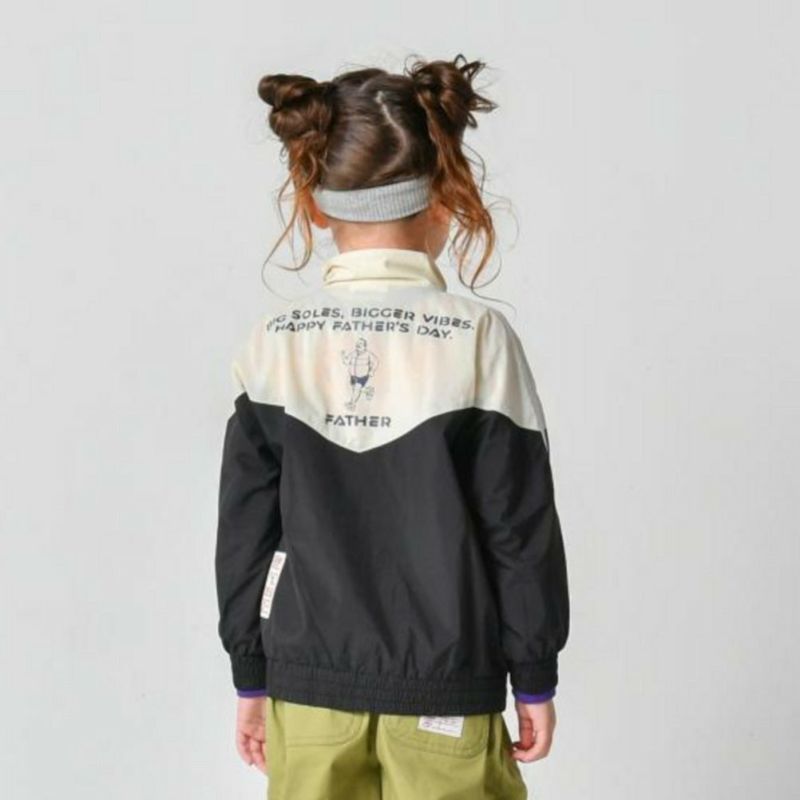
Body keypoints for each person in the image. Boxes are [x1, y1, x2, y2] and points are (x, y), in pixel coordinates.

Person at [214, 53, 570, 800]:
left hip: (308, 689)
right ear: (445, 192)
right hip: (449, 684)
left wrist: (251, 673)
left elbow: (245, 529)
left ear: (315, 204)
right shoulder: (477, 338)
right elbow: (518, 526)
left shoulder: (274, 342)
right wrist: (533, 674)